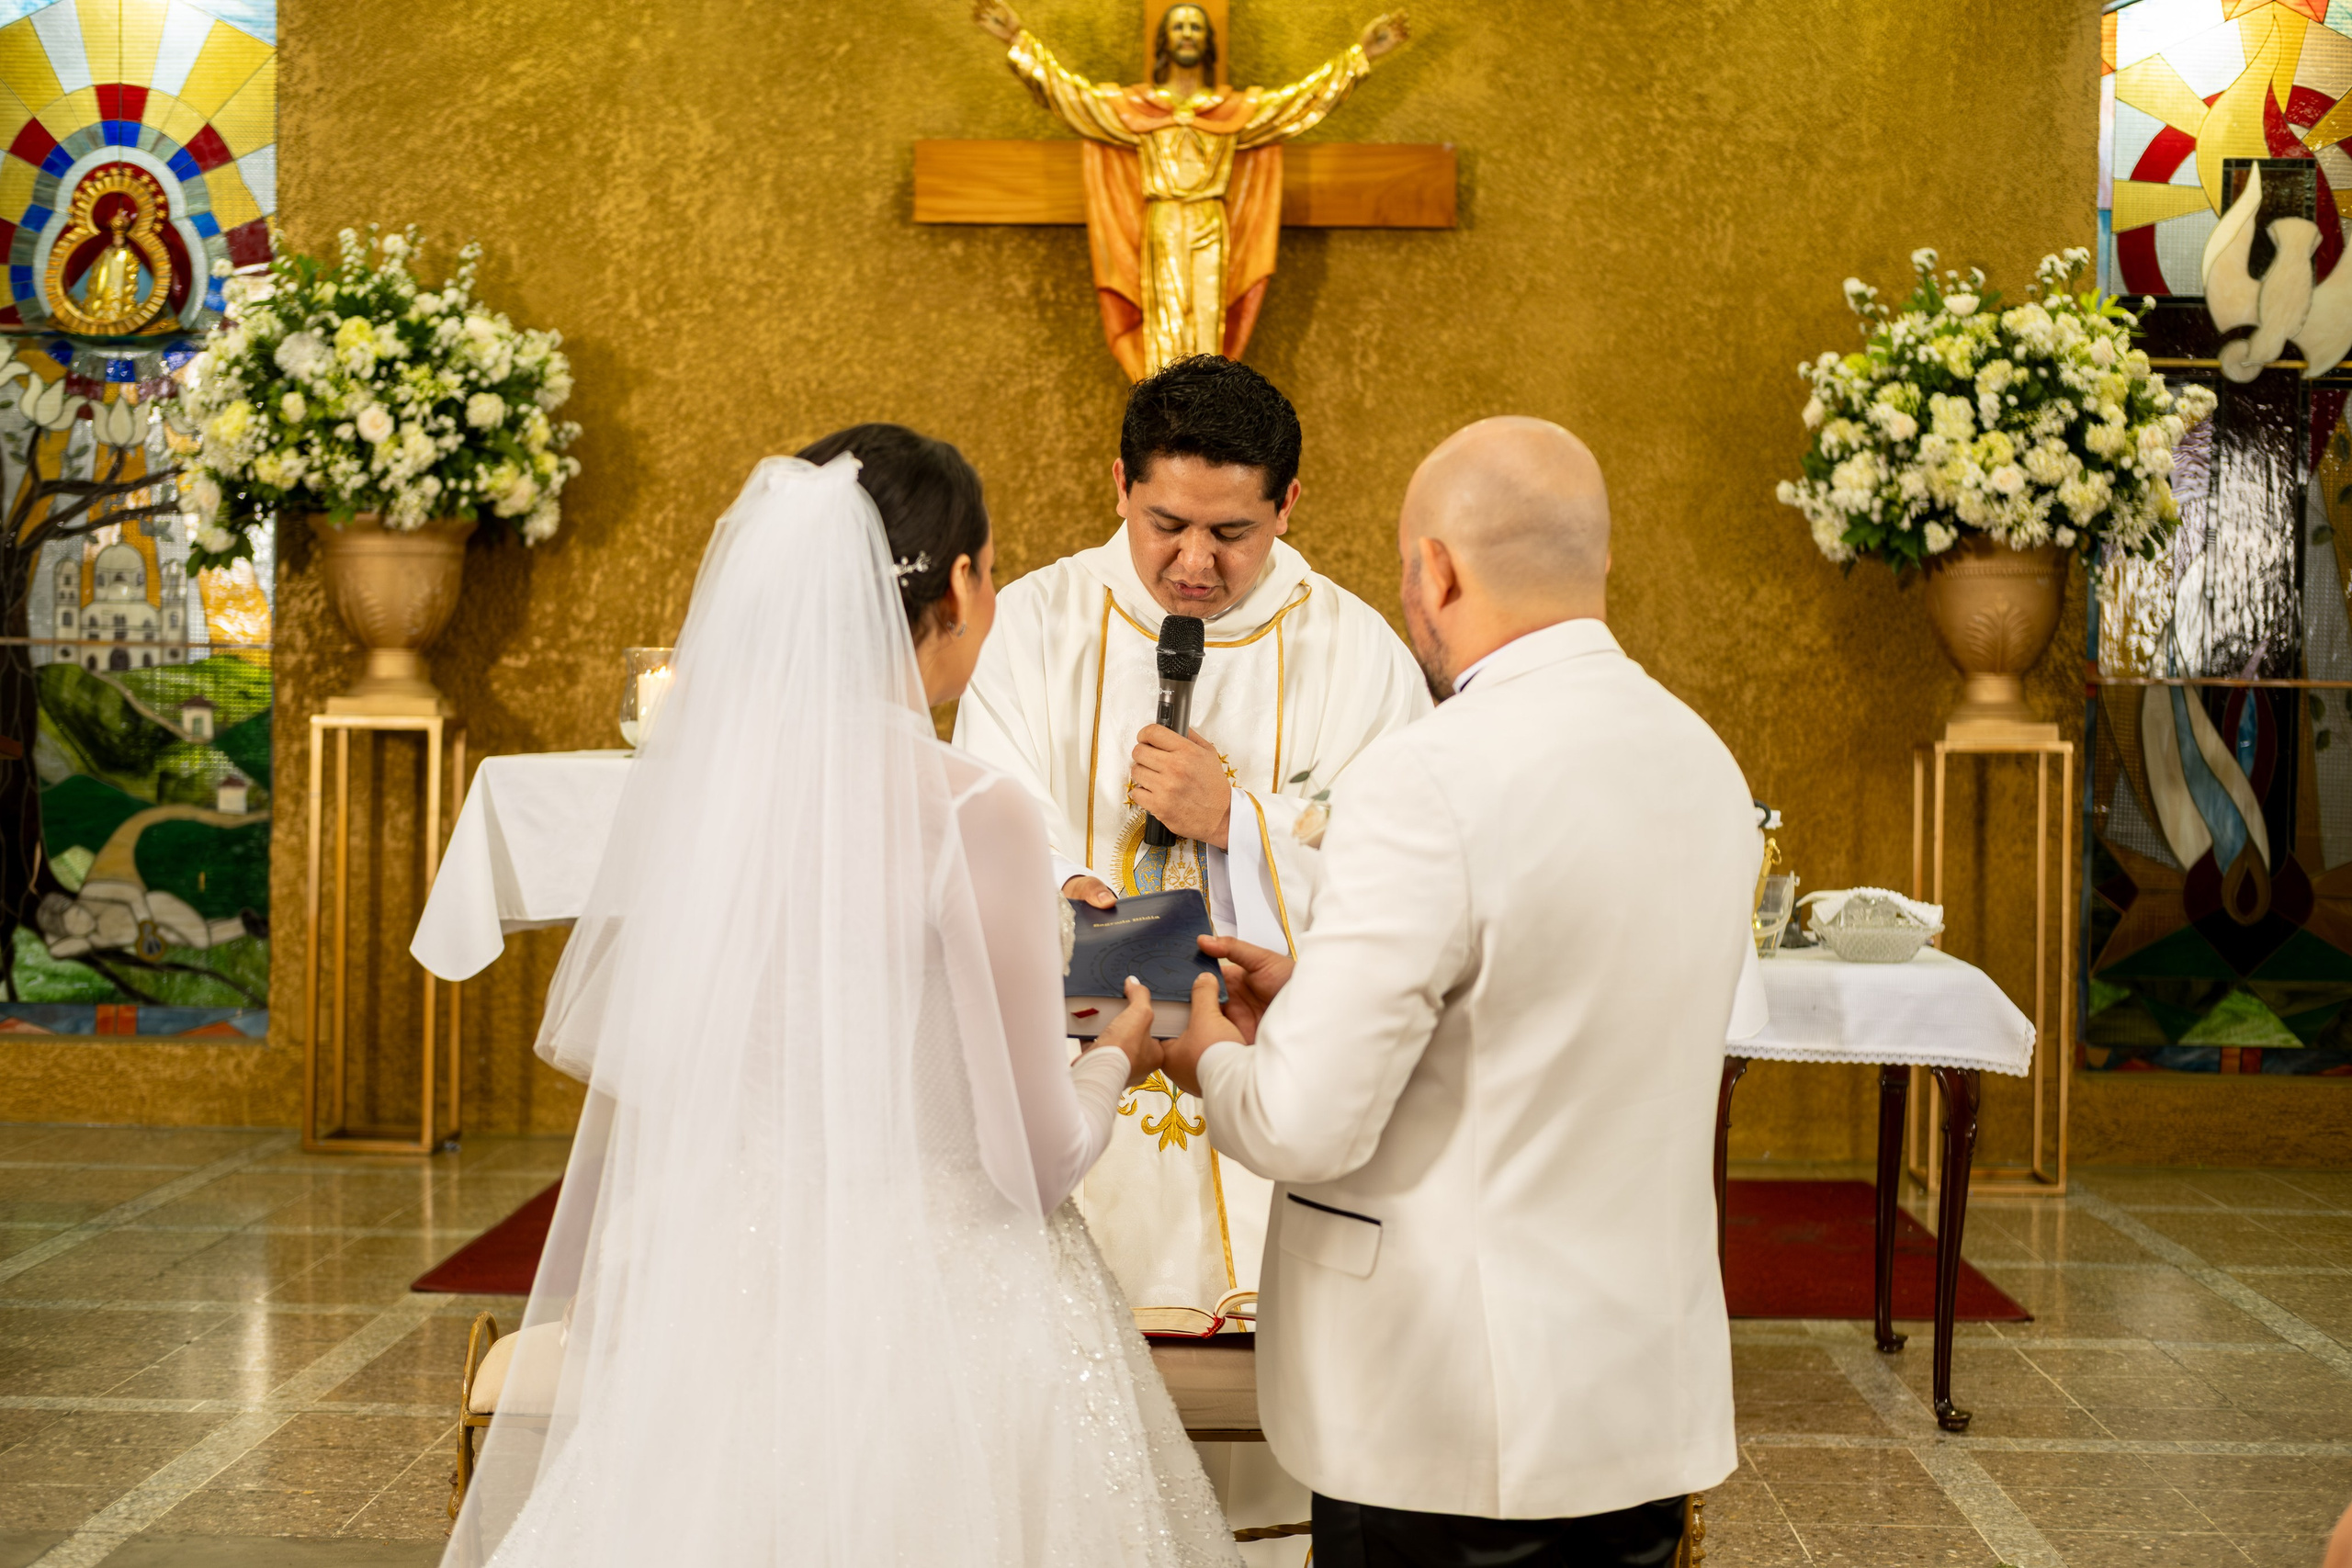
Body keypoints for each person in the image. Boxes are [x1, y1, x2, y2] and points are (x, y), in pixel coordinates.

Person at [446, 427, 1240, 1567]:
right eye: (991, 566)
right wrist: (1114, 1051)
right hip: (953, 1323)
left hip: (733, 1300)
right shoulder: (973, 812)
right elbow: (1032, 1163)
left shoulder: (703, 802)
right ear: (960, 587)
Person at [1161, 417, 1758, 1566]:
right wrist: (1317, 991)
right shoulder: (1700, 757)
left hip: (1447, 1413)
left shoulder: (1430, 771)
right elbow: (1547, 1019)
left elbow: (1303, 1122)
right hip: (1637, 1402)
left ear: (1436, 569)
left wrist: (1213, 1062)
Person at [955, 356, 1427, 1563]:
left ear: (1291, 505)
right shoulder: (1036, 624)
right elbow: (985, 819)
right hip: (1080, 1074)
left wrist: (1242, 822)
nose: (1195, 564)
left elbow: (1405, 883)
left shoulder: (1360, 653)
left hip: (1270, 1083)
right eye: (1166, 524)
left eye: (1234, 531)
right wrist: (1066, 888)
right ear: (1119, 486)